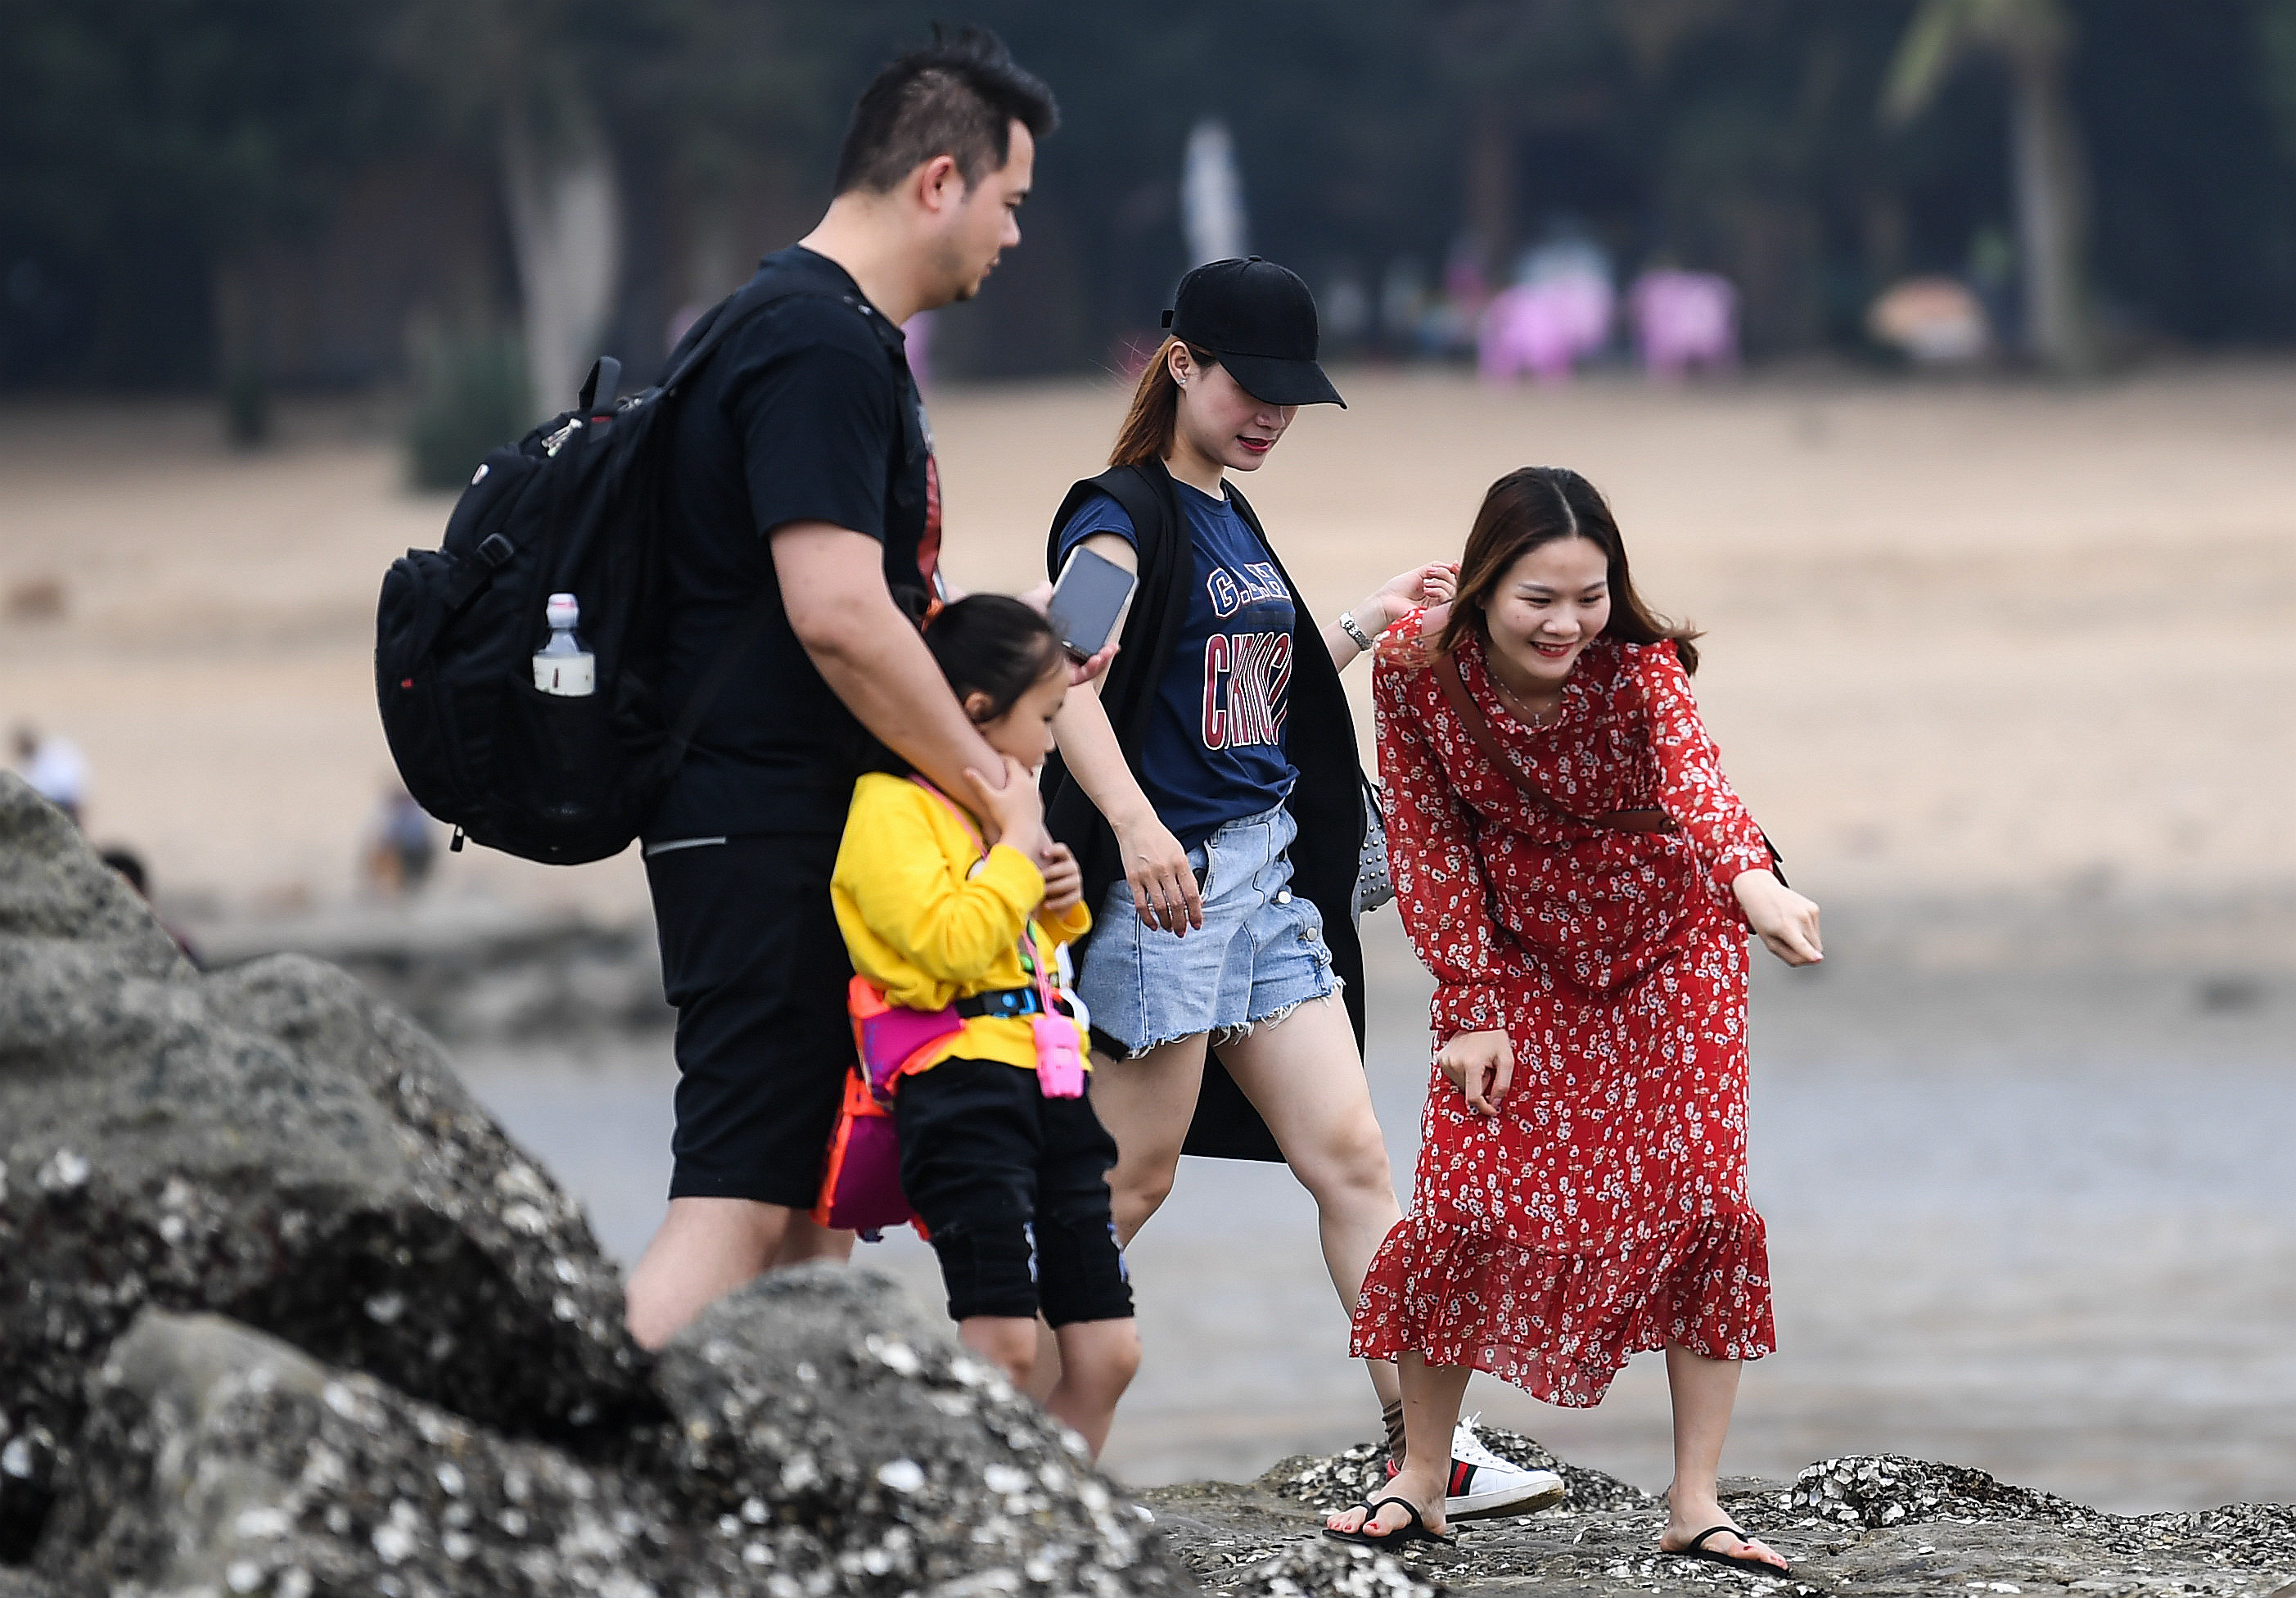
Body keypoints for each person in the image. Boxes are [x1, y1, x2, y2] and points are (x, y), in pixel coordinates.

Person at [1040, 257, 1560, 1519]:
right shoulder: (1116, 514)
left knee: (1350, 1156)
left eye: (1291, 395)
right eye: (1250, 387)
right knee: (1128, 1180)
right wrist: (1133, 823)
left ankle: (1429, 1448)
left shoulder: (1229, 515)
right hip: (1170, 891)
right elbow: (1060, 679)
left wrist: (1359, 623)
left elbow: (1245, 703)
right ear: (1181, 368)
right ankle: (1010, 1432)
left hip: (1269, 887)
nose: (1271, 414)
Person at [624, 28, 1067, 1350]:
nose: (1016, 236)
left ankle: (752, 1514)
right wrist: (992, 787)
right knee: (741, 1200)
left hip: (778, 812)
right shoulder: (816, 344)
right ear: (940, 180)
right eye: (1012, 202)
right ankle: (558, 1466)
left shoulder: (794, 328)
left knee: (811, 1208)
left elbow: (848, 608)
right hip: (756, 820)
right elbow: (833, 612)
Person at [1326, 467, 1823, 1572]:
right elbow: (1424, 837)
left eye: (1589, 596)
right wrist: (1467, 1001)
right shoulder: (1414, 668)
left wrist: (1753, 886)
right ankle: (1420, 1479)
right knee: (1463, 1194)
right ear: (1485, 582)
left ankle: (1697, 1500)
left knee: (1700, 1196)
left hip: (1672, 947)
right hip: (1515, 957)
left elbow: (1699, 783)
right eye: (1537, 599)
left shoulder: (1638, 666)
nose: (1566, 623)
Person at [832, 594, 1138, 1456]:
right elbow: (953, 945)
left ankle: (1064, 1529)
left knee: (1110, 1351)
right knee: (1001, 1343)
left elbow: (1021, 944)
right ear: (975, 712)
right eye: (1044, 718)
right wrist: (1014, 847)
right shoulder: (888, 808)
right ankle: (979, 1522)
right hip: (959, 1091)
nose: (1049, 743)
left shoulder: (999, 819)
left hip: (1055, 1086)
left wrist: (1061, 903)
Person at [12, 723, 88, 827]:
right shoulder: (25, 763)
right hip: (46, 805)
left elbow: (72, 778)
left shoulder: (54, 752)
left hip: (64, 802)